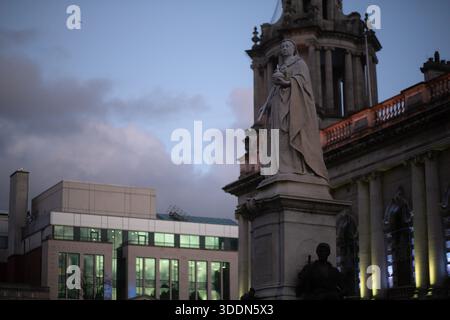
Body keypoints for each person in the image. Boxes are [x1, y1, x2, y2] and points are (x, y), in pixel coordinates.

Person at [257, 39, 328, 180]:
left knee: (290, 132)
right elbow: (275, 90)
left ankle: (294, 166)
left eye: (287, 46)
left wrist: (287, 82)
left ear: (293, 49)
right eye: (282, 46)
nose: (284, 48)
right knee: (278, 135)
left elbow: (303, 83)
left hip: (294, 104)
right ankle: (280, 167)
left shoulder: (300, 64)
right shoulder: (280, 67)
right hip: (279, 105)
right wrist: (267, 105)